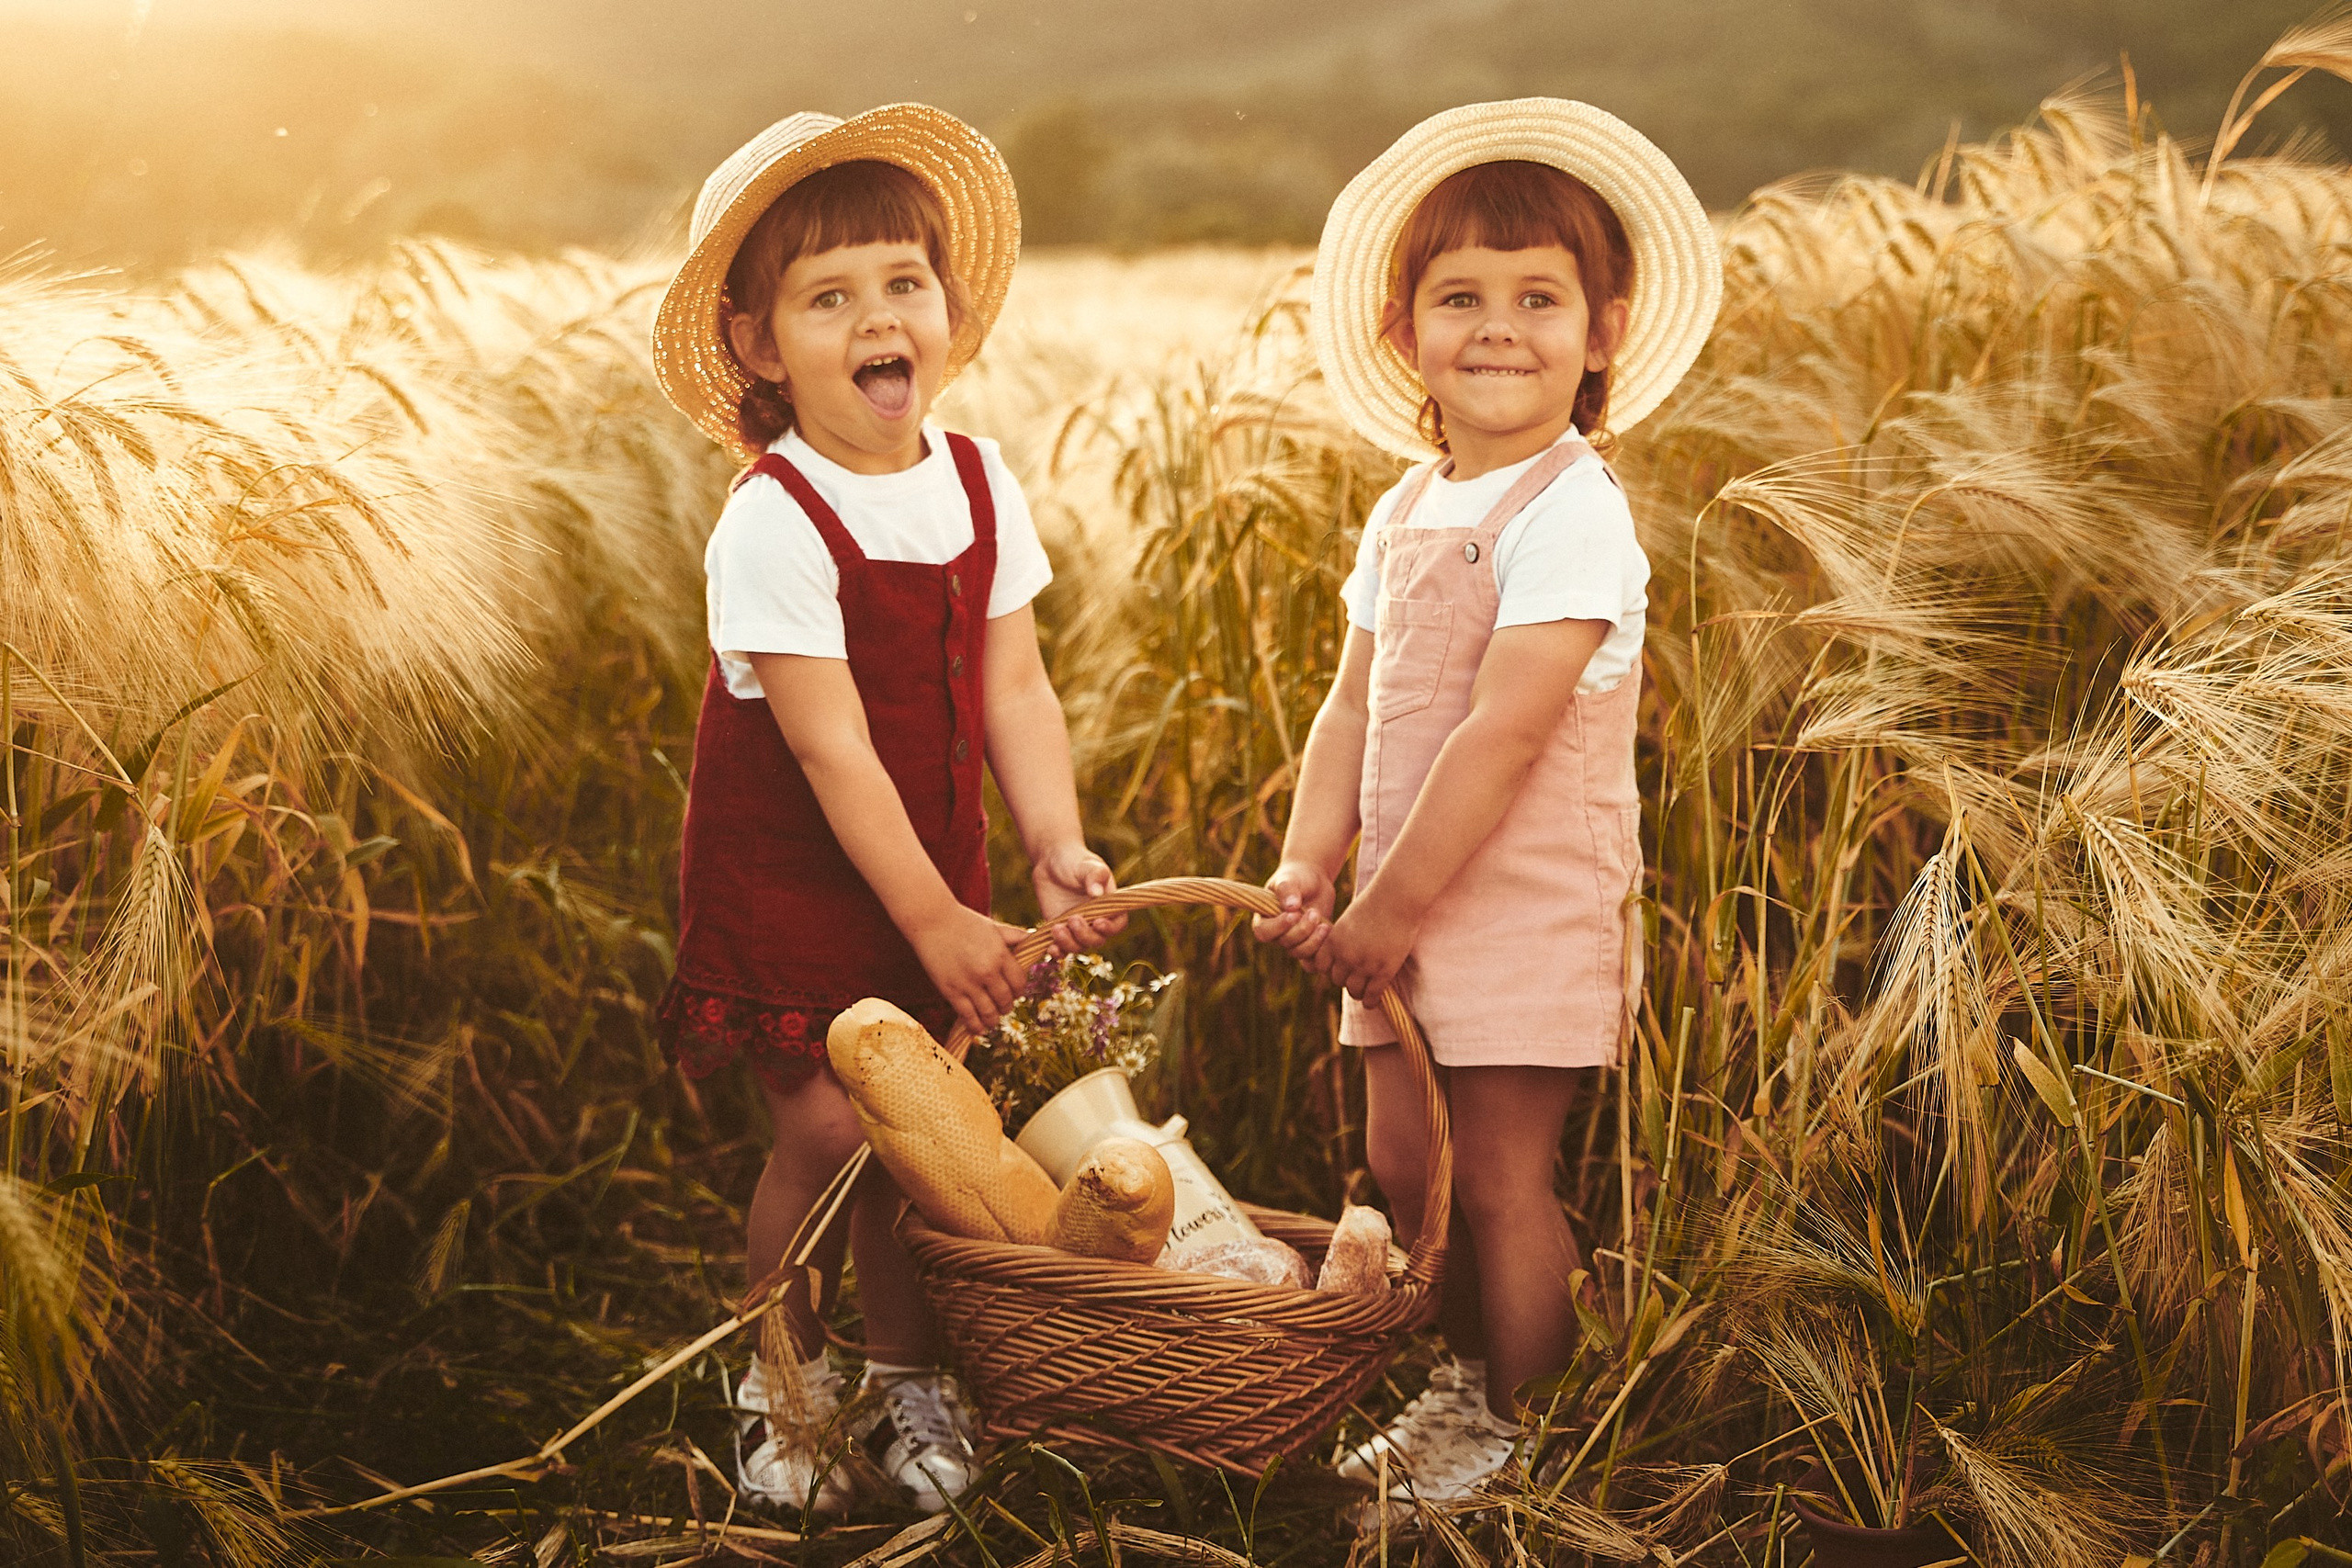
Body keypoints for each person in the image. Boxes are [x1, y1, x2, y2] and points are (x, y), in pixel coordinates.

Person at [649, 105, 1117, 1517]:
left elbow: (1017, 690)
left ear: (948, 310)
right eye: (828, 296)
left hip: (943, 878)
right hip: (795, 882)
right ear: (757, 344)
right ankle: (781, 1383)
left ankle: (913, 1380)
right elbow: (832, 745)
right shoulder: (775, 516)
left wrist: (1051, 844)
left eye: (901, 283)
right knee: (830, 1139)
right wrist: (935, 917)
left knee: (926, 1149)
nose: (875, 318)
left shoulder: (979, 483)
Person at [1254, 98, 1721, 1504]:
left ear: (1603, 331)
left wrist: (1387, 910)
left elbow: (1506, 733)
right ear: (1405, 333)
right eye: (1461, 297)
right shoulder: (1405, 510)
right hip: (1396, 907)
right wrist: (1306, 864)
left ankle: (1524, 1432)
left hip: (1513, 902)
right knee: (1410, 1172)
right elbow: (1353, 705)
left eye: (1539, 297)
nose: (1500, 327)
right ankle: (1463, 1386)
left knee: (1503, 1175)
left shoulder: (1575, 508)